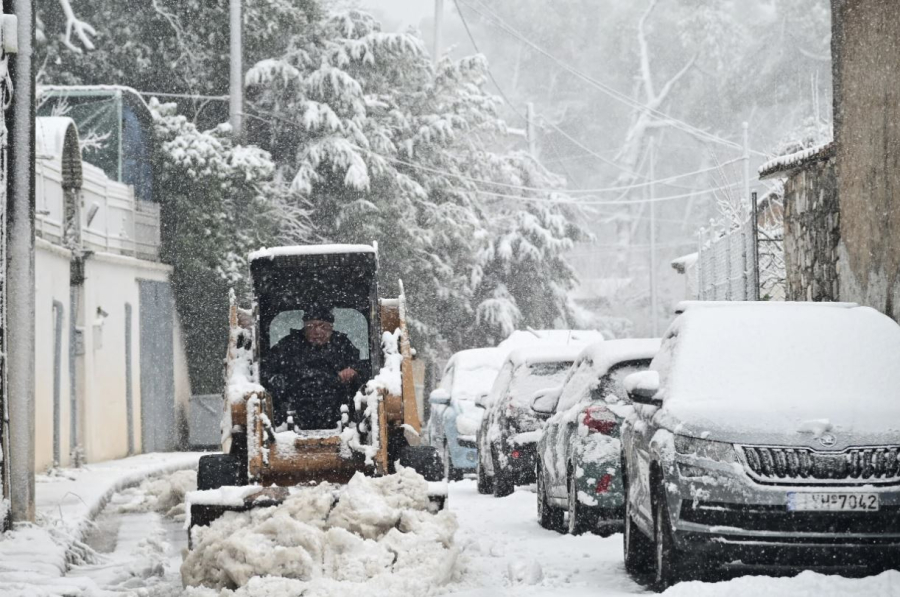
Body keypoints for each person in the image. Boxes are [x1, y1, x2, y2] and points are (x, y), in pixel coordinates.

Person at [267, 305, 361, 429]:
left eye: (323, 326)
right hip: (292, 410)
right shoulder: (287, 345)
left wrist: (353, 371)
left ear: (331, 328)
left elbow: (362, 368)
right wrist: (280, 379)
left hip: (339, 411)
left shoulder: (343, 345)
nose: (317, 332)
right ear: (304, 327)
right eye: (311, 326)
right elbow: (266, 369)